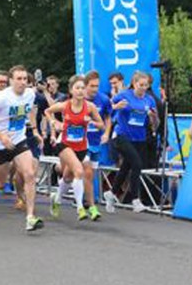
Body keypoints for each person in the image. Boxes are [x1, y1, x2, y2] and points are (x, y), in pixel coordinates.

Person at [0, 66, 45, 232]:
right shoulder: (0, 98)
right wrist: (1, 136)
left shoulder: (30, 94)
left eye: (24, 79)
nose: (22, 82)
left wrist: (35, 130)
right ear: (11, 80)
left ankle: (30, 217)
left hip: (19, 140)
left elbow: (30, 112)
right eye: (19, 79)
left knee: (29, 174)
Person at [45, 76, 104, 221]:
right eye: (77, 88)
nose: (80, 91)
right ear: (71, 90)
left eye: (83, 88)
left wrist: (92, 122)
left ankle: (57, 199)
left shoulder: (90, 107)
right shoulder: (65, 105)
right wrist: (54, 122)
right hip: (65, 144)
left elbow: (101, 124)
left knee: (68, 176)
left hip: (81, 146)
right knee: (79, 170)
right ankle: (81, 208)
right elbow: (47, 111)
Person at [103, 71, 159, 214]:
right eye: (141, 85)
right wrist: (115, 107)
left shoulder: (149, 100)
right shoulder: (125, 95)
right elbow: (107, 108)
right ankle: (135, 199)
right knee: (137, 164)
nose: (143, 88)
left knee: (126, 167)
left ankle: (111, 193)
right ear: (134, 84)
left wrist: (153, 117)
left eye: (146, 85)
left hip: (139, 138)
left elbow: (155, 123)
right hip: (122, 136)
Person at [82, 71, 113, 219]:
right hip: (82, 141)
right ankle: (90, 203)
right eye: (92, 86)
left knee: (90, 174)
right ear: (85, 85)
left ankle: (60, 193)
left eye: (97, 86)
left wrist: (106, 133)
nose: (94, 89)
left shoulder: (104, 99)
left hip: (96, 140)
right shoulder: (79, 98)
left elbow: (108, 118)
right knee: (87, 171)